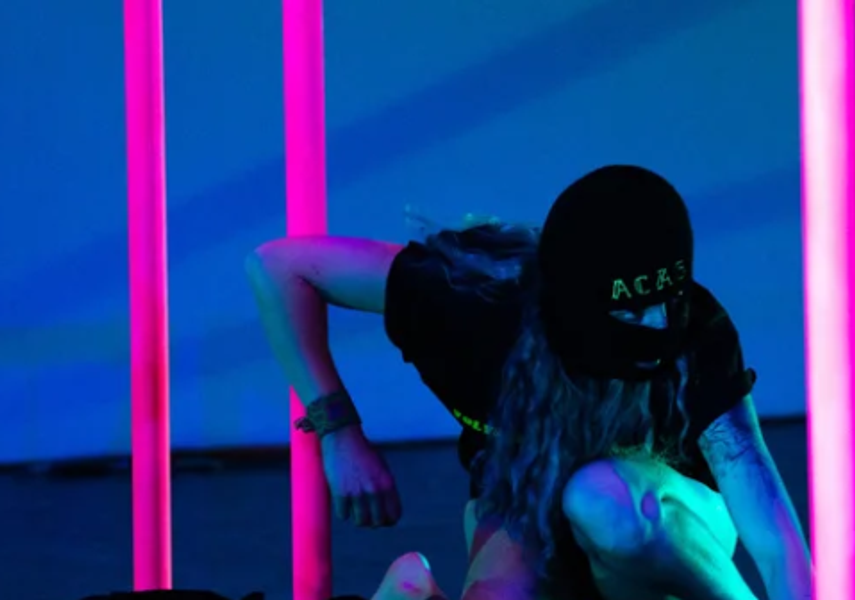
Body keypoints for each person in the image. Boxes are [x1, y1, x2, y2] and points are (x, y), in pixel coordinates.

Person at [244, 165, 812, 600]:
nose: (661, 325)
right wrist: (339, 429)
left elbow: (773, 536)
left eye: (670, 301)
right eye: (632, 311)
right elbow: (279, 268)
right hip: (523, 504)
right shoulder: (477, 307)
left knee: (602, 499)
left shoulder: (696, 330)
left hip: (658, 525)